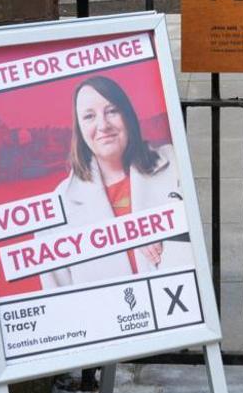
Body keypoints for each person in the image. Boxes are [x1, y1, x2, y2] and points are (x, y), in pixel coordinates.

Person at [41, 75, 189, 287]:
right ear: (80, 129)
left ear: (127, 116)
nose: (103, 125)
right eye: (89, 116)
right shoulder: (57, 205)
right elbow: (57, 300)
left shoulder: (174, 162)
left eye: (112, 111)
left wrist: (166, 230)